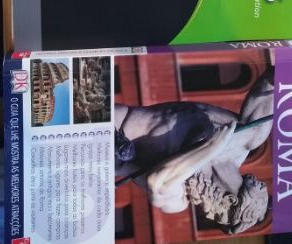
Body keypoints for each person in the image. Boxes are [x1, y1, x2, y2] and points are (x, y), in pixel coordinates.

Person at [115, 67, 273, 234]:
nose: (212, 213)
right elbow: (272, 80)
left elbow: (157, 181)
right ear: (231, 200)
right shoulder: (247, 137)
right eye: (220, 214)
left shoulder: (179, 201)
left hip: (103, 156)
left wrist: (210, 147)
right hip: (118, 116)